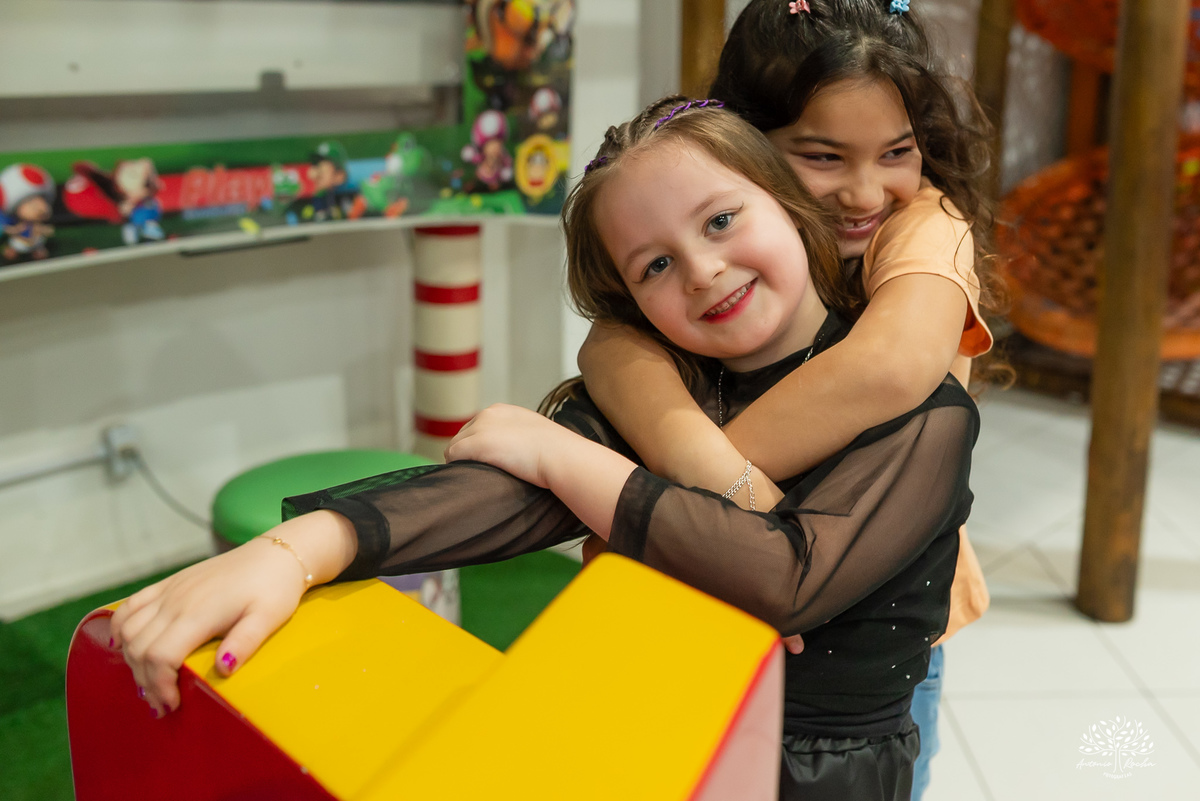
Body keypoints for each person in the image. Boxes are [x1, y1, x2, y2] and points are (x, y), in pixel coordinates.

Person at [111, 96, 978, 800]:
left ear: (789, 207)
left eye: (720, 220)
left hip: (821, 776)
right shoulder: (668, 385)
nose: (703, 270)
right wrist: (299, 547)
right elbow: (502, 493)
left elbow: (786, 577)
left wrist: (567, 457)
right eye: (654, 267)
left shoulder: (924, 415)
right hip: (659, 737)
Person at [575, 3, 1004, 796]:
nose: (865, 191)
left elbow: (891, 366)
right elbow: (612, 343)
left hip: (869, 636)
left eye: (897, 153)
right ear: (746, 147)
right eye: (823, 156)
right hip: (720, 609)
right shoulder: (720, 239)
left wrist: (675, 486)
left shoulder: (921, 223)